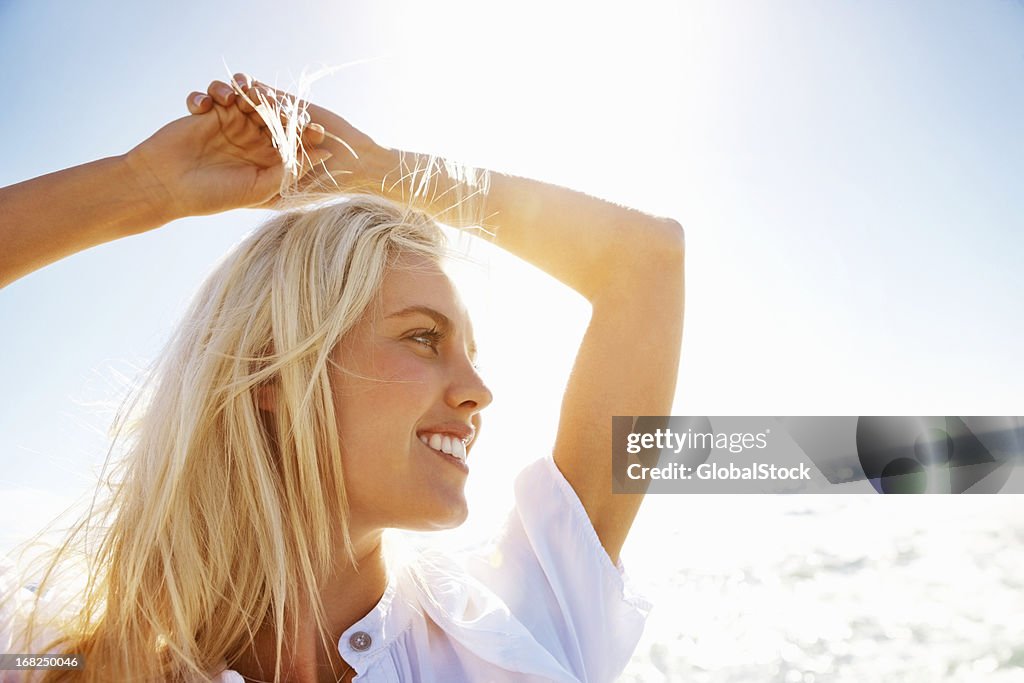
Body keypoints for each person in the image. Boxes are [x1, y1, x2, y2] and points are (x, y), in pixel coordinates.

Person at [0, 73, 685, 682]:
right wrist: (143, 187)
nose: (479, 391)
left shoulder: (518, 630)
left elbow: (645, 259)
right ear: (276, 371)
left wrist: (384, 172)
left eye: (470, 348)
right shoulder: (77, 662)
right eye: (424, 337)